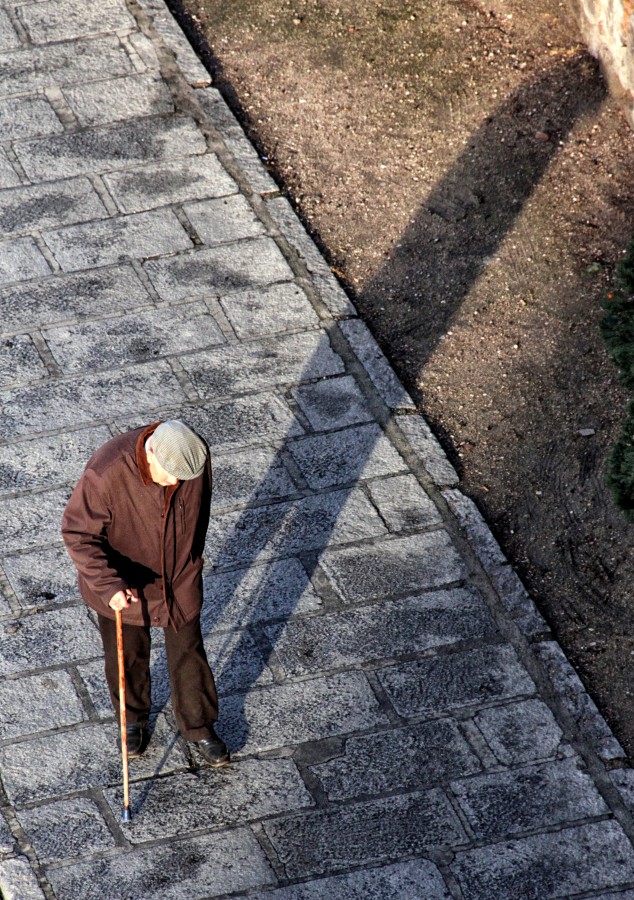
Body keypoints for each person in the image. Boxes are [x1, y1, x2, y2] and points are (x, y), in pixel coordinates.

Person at [61, 419, 229, 766]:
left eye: (183, 477)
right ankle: (132, 718)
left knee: (189, 652)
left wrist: (191, 559)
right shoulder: (107, 470)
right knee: (126, 656)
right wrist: (109, 585)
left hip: (178, 577)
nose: (176, 483)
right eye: (170, 475)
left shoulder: (192, 457)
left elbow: (201, 511)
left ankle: (198, 726)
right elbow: (78, 533)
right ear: (150, 450)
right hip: (123, 583)